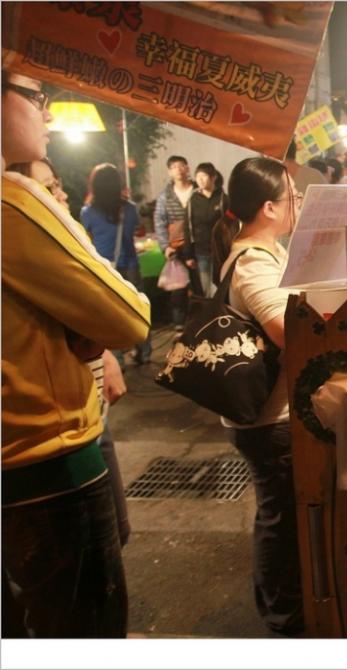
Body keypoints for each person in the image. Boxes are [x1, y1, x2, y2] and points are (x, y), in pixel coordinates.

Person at [2, 69, 151, 637]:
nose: (47, 112)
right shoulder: (13, 203)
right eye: (36, 97)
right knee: (85, 629)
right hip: (47, 467)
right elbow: (129, 316)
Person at [8, 158, 132, 547]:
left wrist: (105, 354)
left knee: (117, 532)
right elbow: (130, 319)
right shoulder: (26, 241)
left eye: (58, 185)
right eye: (47, 188)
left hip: (92, 416)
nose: (60, 195)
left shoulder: (66, 233)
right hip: (55, 444)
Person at [215, 156, 304, 636]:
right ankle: (282, 618)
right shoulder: (252, 260)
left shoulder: (268, 250)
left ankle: (283, 608)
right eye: (292, 197)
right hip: (267, 417)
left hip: (271, 412)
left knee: (279, 513)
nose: (298, 205)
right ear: (268, 207)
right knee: (279, 517)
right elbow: (285, 327)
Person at [81, 163, 152, 366]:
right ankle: (144, 352)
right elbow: (135, 230)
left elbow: (87, 238)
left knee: (112, 313)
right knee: (138, 309)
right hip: (130, 264)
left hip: (105, 268)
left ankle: (118, 358)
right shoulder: (129, 209)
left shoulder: (88, 212)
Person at [154, 154, 194, 327]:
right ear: (169, 172)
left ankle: (200, 322)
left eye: (181, 165)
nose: (178, 169)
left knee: (201, 286)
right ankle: (180, 325)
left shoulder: (197, 190)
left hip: (198, 246)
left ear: (187, 168)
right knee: (178, 289)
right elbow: (159, 222)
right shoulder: (165, 196)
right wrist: (165, 247)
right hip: (176, 247)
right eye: (174, 167)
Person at [184, 162, 228, 297]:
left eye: (204, 176)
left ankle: (218, 314)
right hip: (201, 250)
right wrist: (188, 254)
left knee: (218, 286)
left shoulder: (222, 199)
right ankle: (210, 314)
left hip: (219, 250)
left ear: (213, 177)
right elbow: (188, 227)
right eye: (198, 177)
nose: (200, 180)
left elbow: (230, 225)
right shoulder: (193, 200)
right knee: (205, 287)